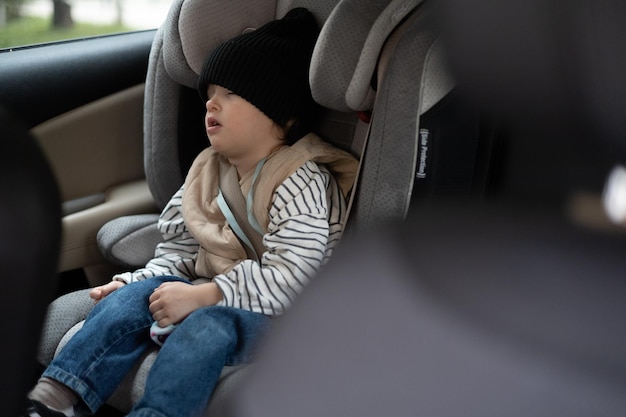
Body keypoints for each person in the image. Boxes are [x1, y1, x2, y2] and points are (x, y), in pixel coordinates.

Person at [25, 8, 358, 417]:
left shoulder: (299, 179)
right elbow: (180, 252)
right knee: (133, 296)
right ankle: (58, 395)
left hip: (287, 318)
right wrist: (139, 281)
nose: (211, 103)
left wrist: (208, 296)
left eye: (231, 94)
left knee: (206, 326)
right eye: (210, 94)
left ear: (282, 117)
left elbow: (294, 279)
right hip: (211, 291)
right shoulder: (207, 171)